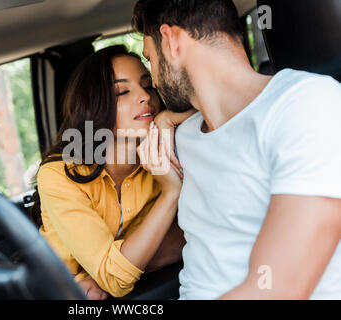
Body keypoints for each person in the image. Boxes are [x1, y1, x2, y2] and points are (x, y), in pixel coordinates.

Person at [132, 0, 341, 299]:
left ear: (172, 41)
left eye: (150, 59)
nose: (153, 81)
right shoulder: (185, 134)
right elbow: (207, 239)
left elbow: (278, 288)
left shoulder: (308, 106)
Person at [30, 45, 186, 299]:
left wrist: (168, 118)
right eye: (122, 91)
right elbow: (114, 278)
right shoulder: (59, 173)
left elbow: (194, 231)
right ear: (94, 107)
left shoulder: (168, 149)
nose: (145, 97)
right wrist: (170, 194)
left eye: (148, 85)